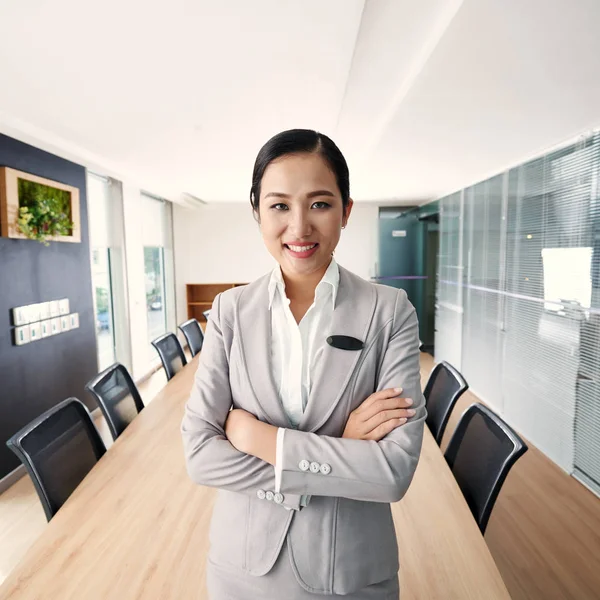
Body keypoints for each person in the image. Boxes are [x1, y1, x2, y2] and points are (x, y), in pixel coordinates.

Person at [181, 129, 426, 599]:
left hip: (351, 573)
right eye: (279, 205)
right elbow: (199, 456)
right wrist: (340, 447)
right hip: (242, 571)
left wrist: (261, 439)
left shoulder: (390, 311)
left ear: (346, 210)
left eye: (319, 204)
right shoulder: (230, 311)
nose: (298, 227)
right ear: (257, 212)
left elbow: (394, 471)